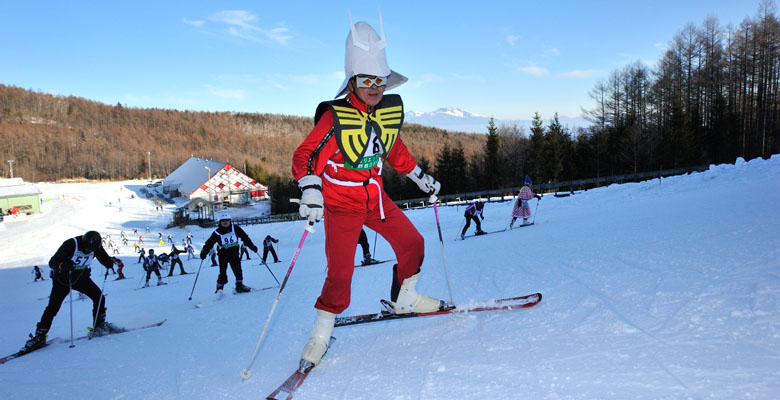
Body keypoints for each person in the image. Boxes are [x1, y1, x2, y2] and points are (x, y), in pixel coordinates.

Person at [291, 15, 445, 370]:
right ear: (352, 83)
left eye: (380, 80)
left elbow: (394, 151)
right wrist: (311, 189)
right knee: (341, 272)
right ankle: (321, 333)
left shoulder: (386, 111)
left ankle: (405, 297)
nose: (375, 87)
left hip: (375, 198)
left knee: (413, 244)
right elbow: (306, 155)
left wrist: (421, 178)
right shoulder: (336, 117)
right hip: (341, 204)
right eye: (367, 80)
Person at [22, 231, 125, 352]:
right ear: (84, 243)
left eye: (90, 250)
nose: (88, 251)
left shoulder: (95, 245)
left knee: (99, 298)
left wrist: (107, 263)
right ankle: (40, 336)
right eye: (86, 249)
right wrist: (62, 265)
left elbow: (102, 257)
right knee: (53, 307)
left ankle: (99, 326)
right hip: (63, 280)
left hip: (81, 278)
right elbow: (53, 262)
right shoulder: (71, 244)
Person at [200, 211, 258, 293]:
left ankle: (239, 285)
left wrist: (252, 246)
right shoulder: (217, 232)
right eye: (223, 221)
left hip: (234, 253)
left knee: (238, 270)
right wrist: (204, 251)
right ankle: (219, 289)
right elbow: (210, 242)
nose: (225, 222)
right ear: (220, 222)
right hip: (223, 254)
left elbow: (245, 237)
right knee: (222, 272)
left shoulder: (236, 228)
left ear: (230, 221)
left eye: (227, 220)